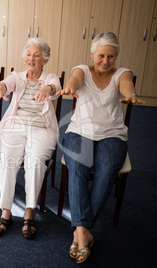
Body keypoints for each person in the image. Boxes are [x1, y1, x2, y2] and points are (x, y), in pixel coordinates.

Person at [56, 32, 146, 264]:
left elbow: (127, 85)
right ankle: (84, 234)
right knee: (78, 170)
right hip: (79, 131)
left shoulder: (122, 73)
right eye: (101, 56)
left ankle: (80, 231)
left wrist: (131, 94)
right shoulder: (83, 70)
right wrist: (70, 88)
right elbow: (75, 80)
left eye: (111, 56)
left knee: (107, 172)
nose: (106, 61)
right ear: (93, 54)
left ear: (116, 57)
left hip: (112, 134)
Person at [0, 38, 61, 239]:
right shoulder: (17, 77)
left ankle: (29, 212)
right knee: (7, 161)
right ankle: (6, 212)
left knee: (35, 162)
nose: (31, 58)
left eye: (37, 55)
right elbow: (7, 83)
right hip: (15, 125)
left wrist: (47, 89)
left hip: (42, 128)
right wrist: (1, 87)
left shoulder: (50, 78)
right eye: (29, 54)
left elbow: (54, 86)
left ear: (44, 60)